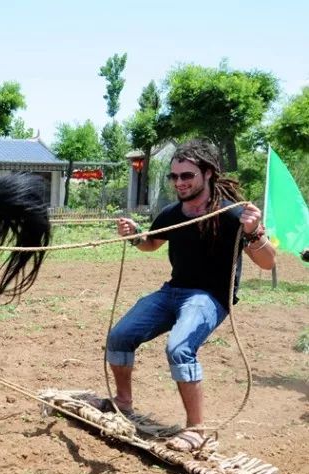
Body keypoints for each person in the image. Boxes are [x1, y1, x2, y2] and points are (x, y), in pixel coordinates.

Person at [108, 140, 276, 452]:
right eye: (174, 177)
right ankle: (123, 401)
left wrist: (254, 232)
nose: (179, 183)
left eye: (187, 176)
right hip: (172, 291)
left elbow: (268, 261)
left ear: (208, 173)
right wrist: (134, 236)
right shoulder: (172, 214)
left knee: (179, 347)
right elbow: (151, 244)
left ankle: (196, 430)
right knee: (119, 335)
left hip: (209, 298)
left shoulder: (233, 214)